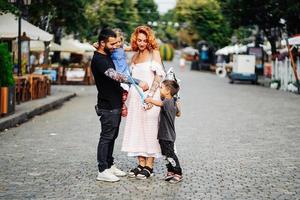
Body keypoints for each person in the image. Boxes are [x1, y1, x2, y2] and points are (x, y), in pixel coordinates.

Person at [91, 28, 149, 182]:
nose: (115, 45)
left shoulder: (106, 52)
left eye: (117, 42)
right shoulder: (99, 59)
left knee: (112, 136)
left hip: (115, 102)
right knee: (106, 137)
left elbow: (117, 49)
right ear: (103, 43)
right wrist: (137, 81)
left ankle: (109, 165)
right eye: (112, 43)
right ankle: (102, 170)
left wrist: (100, 44)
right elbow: (116, 75)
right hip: (107, 104)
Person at [121, 25, 166, 179]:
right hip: (135, 98)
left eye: (144, 40)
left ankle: (149, 166)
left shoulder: (154, 53)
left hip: (150, 98)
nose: (141, 43)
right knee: (137, 130)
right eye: (139, 40)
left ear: (149, 41)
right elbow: (121, 48)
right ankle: (140, 163)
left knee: (150, 130)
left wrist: (151, 98)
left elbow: (159, 76)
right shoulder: (134, 56)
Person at [144, 80, 183, 183]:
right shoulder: (172, 101)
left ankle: (178, 173)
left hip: (167, 135)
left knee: (171, 155)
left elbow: (160, 103)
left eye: (161, 87)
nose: (160, 89)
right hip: (164, 135)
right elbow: (178, 113)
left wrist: (150, 100)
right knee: (166, 155)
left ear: (168, 91)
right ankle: (170, 171)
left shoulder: (168, 102)